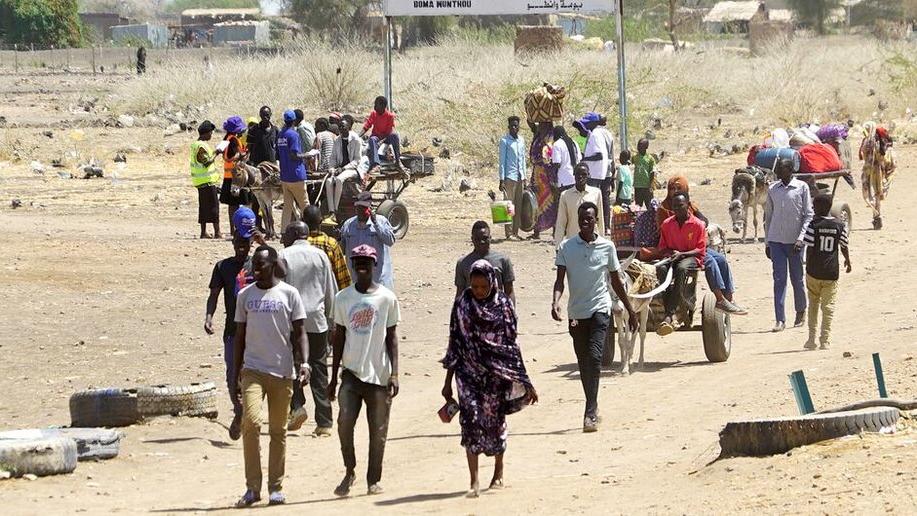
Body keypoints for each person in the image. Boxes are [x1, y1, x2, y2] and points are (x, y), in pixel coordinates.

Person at [442, 260, 537, 498]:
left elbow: (512, 345)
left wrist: (524, 379)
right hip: (467, 374)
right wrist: (447, 382)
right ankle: (474, 480)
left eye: (483, 287)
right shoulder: (462, 304)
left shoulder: (503, 305)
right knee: (470, 420)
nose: (479, 291)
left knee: (495, 421)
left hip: (496, 375)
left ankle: (498, 472)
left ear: (492, 283)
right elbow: (455, 341)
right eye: (474, 286)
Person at [233, 245, 309, 507]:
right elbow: (239, 337)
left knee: (278, 431)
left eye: (261, 264)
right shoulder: (245, 296)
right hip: (253, 370)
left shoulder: (289, 294)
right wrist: (235, 373)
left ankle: (276, 487)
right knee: (251, 424)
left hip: (282, 371)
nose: (255, 268)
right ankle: (252, 488)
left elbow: (300, 332)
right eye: (254, 263)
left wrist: (305, 363)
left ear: (274, 265)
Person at [552, 202, 636, 432]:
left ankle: (589, 412)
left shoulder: (607, 247)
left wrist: (630, 310)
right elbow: (559, 281)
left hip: (600, 308)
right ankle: (592, 404)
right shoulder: (566, 247)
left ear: (596, 220)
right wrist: (555, 302)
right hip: (576, 312)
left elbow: (616, 281)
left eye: (589, 218)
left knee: (595, 357)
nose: (585, 222)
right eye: (582, 219)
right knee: (583, 362)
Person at [328, 244, 400, 497]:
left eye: (366, 261)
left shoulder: (387, 298)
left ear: (374, 265)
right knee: (344, 424)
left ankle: (373, 480)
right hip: (351, 374)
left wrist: (395, 373)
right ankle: (350, 470)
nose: (361, 265)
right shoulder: (342, 298)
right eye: (357, 261)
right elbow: (338, 338)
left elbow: (392, 337)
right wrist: (332, 378)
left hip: (379, 376)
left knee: (378, 431)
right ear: (352, 264)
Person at [655, 192, 746, 336]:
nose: (677, 209)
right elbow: (662, 247)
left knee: (710, 262)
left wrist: (682, 254)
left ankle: (724, 298)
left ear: (687, 205)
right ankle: (668, 309)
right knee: (660, 269)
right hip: (674, 256)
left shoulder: (697, 224)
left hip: (692, 255)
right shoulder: (667, 224)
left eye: (680, 206)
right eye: (674, 206)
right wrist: (670, 253)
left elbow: (701, 250)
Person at [279, 221, 337, 436]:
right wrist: (332, 321)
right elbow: (330, 290)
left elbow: (279, 289)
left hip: (293, 322)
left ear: (295, 233)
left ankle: (297, 407)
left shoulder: (284, 255)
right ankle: (324, 422)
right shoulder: (321, 256)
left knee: (291, 366)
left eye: (286, 232)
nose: (284, 236)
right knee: (319, 369)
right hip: (317, 320)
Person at [204, 229, 253, 441]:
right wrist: (208, 317)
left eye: (245, 243)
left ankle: (248, 412)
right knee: (233, 374)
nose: (241, 247)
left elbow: (278, 270)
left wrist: (263, 242)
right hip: (232, 330)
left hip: (256, 331)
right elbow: (214, 295)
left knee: (252, 374)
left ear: (250, 244)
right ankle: (239, 409)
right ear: (233, 243)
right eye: (238, 243)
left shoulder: (258, 264)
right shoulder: (222, 267)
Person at [764, 158, 813, 333]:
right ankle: (780, 319)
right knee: (779, 280)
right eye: (777, 169)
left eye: (782, 169)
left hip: (795, 243)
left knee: (797, 278)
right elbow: (768, 216)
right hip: (776, 240)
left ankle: (800, 311)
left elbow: (808, 215)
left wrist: (801, 238)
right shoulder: (773, 189)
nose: (778, 172)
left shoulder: (801, 187)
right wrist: (767, 242)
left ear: (791, 170)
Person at [803, 193, 851, 350]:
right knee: (828, 307)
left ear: (819, 208)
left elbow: (809, 248)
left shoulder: (813, 225)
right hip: (831, 272)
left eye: (814, 206)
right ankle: (825, 340)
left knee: (813, 305)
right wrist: (848, 261)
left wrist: (808, 267)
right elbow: (844, 246)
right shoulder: (839, 225)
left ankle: (811, 339)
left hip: (813, 272)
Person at [340, 192, 396, 290]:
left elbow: (390, 241)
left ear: (370, 208)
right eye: (358, 208)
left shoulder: (381, 221)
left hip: (378, 279)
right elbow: (343, 250)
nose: (361, 211)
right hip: (356, 280)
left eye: (364, 208)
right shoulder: (348, 225)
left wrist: (376, 224)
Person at [455, 221, 515, 304]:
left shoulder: (503, 260)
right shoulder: (463, 263)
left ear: (490, 238)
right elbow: (460, 293)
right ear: (472, 239)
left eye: (485, 238)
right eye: (477, 239)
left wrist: (511, 310)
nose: (481, 242)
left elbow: (509, 291)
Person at [554, 163, 604, 247]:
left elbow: (600, 220)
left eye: (584, 174)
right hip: (572, 243)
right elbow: (561, 223)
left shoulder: (596, 193)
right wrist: (558, 246)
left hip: (592, 243)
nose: (580, 177)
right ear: (574, 174)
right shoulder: (565, 195)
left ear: (588, 175)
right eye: (578, 174)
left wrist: (602, 242)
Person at [303, 205, 352, 290]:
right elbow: (342, 275)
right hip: (326, 292)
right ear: (321, 221)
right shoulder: (330, 244)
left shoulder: (297, 244)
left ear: (303, 221)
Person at [859, 121, 896, 230]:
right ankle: (877, 216)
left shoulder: (867, 141)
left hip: (870, 170)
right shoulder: (879, 141)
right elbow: (883, 157)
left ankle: (876, 216)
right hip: (879, 170)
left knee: (870, 193)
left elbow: (864, 155)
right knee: (877, 194)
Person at [327, 115, 366, 216]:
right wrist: (331, 168)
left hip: (353, 169)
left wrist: (343, 168)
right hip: (340, 168)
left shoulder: (356, 139)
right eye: (340, 126)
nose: (341, 128)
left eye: (343, 126)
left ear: (349, 127)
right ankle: (331, 210)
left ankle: (335, 209)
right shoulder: (337, 140)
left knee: (339, 179)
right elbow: (333, 157)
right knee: (329, 181)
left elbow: (357, 160)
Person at [277, 109, 309, 229]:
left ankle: (284, 232)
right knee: (305, 204)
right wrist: (307, 155)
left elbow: (279, 154)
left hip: (285, 176)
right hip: (296, 175)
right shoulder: (293, 135)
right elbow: (294, 155)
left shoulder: (280, 135)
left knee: (287, 207)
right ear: (294, 120)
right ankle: (311, 229)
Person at [579, 113, 611, 233]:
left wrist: (584, 159)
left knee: (591, 201)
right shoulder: (597, 133)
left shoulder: (595, 134)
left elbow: (599, 155)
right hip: (599, 172)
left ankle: (594, 227)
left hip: (594, 172)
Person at [218, 116, 249, 236]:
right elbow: (237, 155)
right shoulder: (234, 140)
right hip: (236, 177)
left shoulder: (226, 139)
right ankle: (236, 229)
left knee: (232, 205)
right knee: (237, 203)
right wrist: (244, 153)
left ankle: (233, 229)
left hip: (228, 176)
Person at [190, 120, 221, 239]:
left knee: (203, 207)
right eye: (210, 133)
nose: (211, 135)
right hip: (207, 181)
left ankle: (203, 232)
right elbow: (206, 162)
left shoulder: (196, 145)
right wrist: (217, 153)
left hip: (200, 181)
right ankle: (217, 232)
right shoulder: (201, 146)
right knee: (214, 207)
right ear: (205, 133)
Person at [498, 116, 527, 240]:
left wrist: (525, 177)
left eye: (517, 125)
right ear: (509, 127)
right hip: (509, 177)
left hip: (520, 177)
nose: (515, 128)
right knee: (509, 206)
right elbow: (502, 162)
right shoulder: (504, 141)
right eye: (513, 126)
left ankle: (515, 232)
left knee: (518, 206)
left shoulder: (521, 140)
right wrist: (501, 179)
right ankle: (509, 233)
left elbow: (523, 159)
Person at [529, 121, 555, 240]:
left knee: (551, 202)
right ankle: (537, 230)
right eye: (539, 124)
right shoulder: (537, 136)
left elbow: (549, 156)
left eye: (543, 124)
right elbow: (530, 124)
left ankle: (554, 230)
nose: (540, 126)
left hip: (547, 174)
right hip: (537, 174)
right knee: (536, 202)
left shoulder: (551, 138)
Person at [549, 125, 580, 220]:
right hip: (574, 179)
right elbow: (579, 159)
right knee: (573, 207)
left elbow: (557, 164)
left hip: (563, 181)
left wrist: (552, 180)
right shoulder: (574, 142)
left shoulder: (557, 144)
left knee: (562, 208)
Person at [361, 96, 401, 170]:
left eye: (377, 105)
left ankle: (398, 161)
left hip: (386, 137)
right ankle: (376, 164)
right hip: (376, 136)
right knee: (372, 139)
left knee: (395, 136)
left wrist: (381, 142)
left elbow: (388, 132)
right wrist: (358, 135)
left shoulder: (390, 116)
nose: (375, 107)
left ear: (383, 106)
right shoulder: (373, 114)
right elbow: (367, 126)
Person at [633, 139, 656, 209]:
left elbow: (652, 172)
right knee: (637, 207)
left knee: (650, 206)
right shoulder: (635, 157)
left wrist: (650, 185)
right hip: (638, 186)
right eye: (638, 145)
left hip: (647, 186)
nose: (638, 147)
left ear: (646, 147)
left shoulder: (650, 158)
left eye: (641, 145)